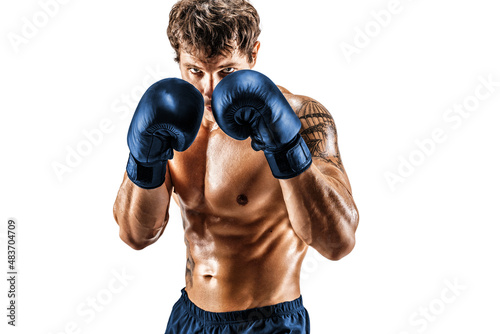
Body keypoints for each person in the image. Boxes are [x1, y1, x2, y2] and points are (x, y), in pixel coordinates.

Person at [113, 0, 359, 332]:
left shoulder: (300, 116)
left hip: (267, 323)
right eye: (195, 71)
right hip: (190, 317)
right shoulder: (172, 119)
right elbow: (135, 235)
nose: (209, 90)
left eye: (227, 71)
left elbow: (337, 242)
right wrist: (144, 156)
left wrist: (285, 144)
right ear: (179, 61)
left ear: (253, 54)